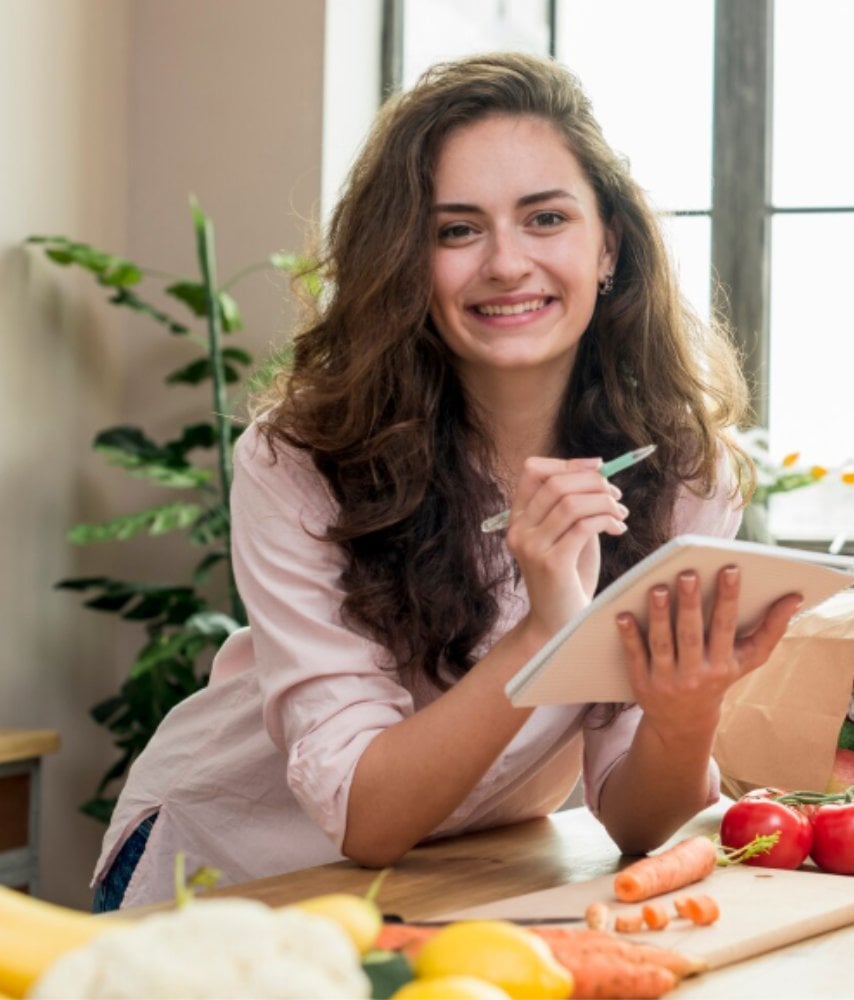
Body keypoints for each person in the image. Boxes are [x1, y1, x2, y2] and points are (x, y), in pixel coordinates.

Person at [90, 51, 802, 910]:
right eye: (457, 231)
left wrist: (686, 713)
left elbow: (637, 821)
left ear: (608, 245)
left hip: (448, 886)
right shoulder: (300, 459)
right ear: (407, 262)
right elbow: (365, 818)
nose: (506, 263)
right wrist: (545, 631)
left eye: (546, 218)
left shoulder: (683, 473)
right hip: (232, 876)